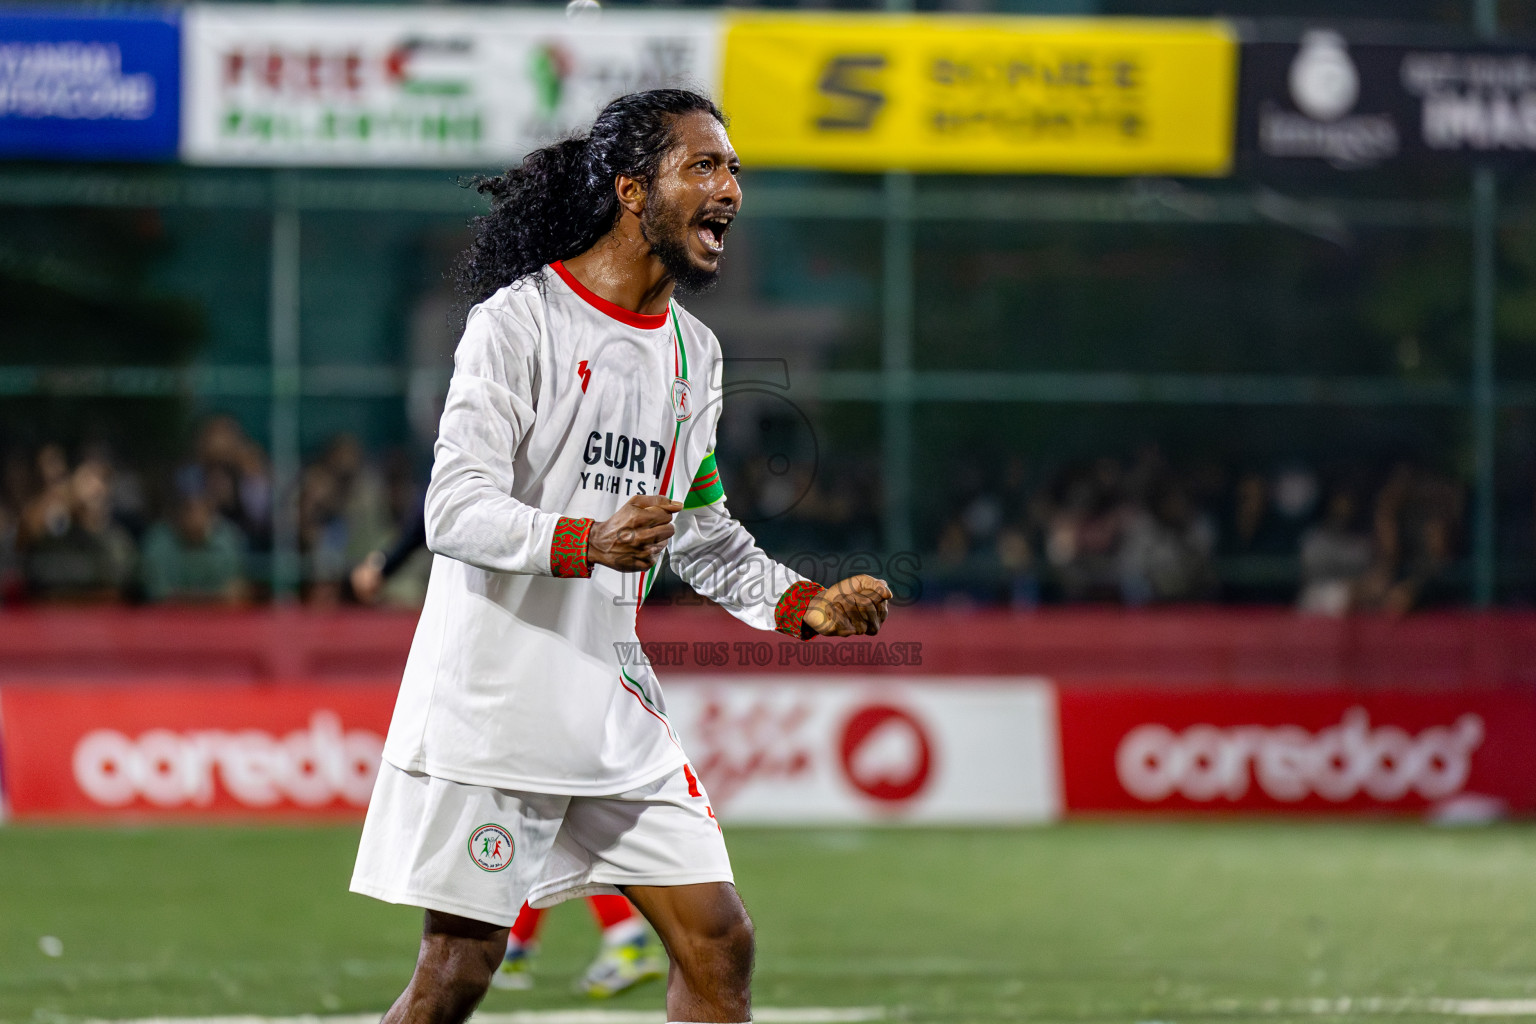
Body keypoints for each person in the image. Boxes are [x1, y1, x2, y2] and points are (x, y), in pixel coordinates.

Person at [348, 88, 892, 1024]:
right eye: (705, 166)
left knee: (719, 941)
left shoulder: (694, 354)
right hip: (494, 706)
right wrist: (582, 540)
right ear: (633, 190)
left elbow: (704, 528)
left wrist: (799, 603)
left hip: (611, 705)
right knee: (456, 975)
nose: (729, 188)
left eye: (734, 170)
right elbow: (454, 508)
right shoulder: (517, 323)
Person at [350, 509, 666, 997]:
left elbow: (436, 512)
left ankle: (606, 940)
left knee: (531, 813)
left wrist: (384, 565)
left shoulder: (496, 454)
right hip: (573, 656)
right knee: (542, 817)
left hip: (524, 656)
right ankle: (537, 943)